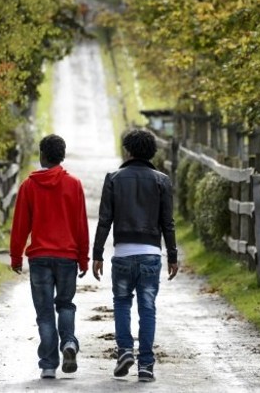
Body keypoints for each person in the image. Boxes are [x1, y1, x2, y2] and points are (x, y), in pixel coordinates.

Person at [92, 128, 179, 383]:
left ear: (128, 150)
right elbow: (168, 222)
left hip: (122, 254)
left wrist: (97, 253)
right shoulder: (162, 180)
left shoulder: (114, 178)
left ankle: (125, 351)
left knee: (121, 303)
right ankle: (146, 366)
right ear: (152, 151)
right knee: (148, 308)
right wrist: (172, 255)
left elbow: (104, 220)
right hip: (151, 254)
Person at [9, 134, 89, 379]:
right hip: (67, 257)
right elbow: (81, 225)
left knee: (44, 312)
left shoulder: (29, 186)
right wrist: (83, 258)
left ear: (42, 155)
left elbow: (21, 225)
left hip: (40, 258)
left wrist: (15, 257)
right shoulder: (74, 185)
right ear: (62, 156)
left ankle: (47, 365)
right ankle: (68, 343)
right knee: (65, 304)